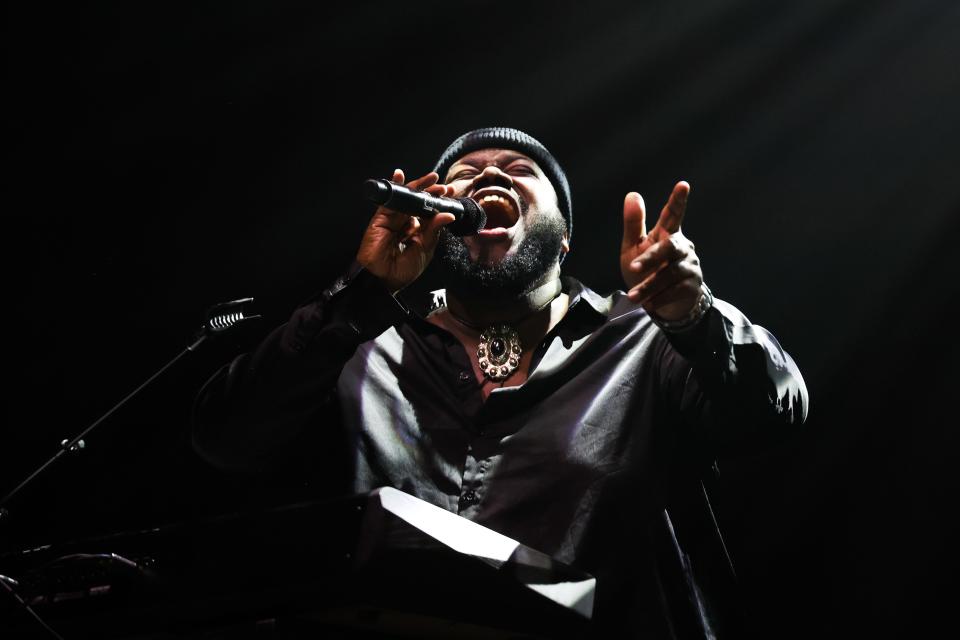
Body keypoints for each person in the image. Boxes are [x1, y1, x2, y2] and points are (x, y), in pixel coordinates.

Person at [193, 127, 808, 637]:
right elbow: (227, 439)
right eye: (464, 172)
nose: (489, 176)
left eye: (519, 168)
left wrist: (694, 315)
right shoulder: (360, 349)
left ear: (564, 237)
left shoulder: (645, 339)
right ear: (434, 221)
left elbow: (774, 412)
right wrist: (362, 292)